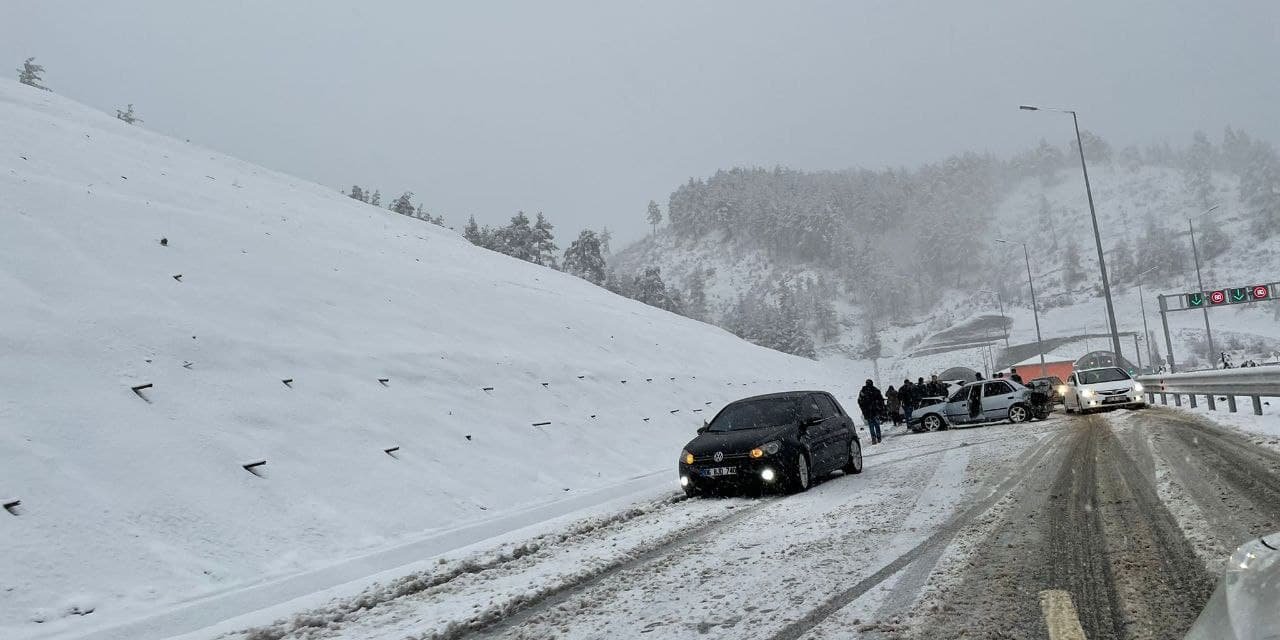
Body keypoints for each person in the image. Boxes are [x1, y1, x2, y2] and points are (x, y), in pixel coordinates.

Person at [857, 379, 886, 444]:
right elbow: (881, 401)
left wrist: (864, 409)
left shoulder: (863, 391)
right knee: (876, 425)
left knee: (871, 426)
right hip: (874, 411)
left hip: (868, 411)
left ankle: (874, 438)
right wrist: (880, 409)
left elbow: (859, 401)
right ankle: (878, 437)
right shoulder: (875, 391)